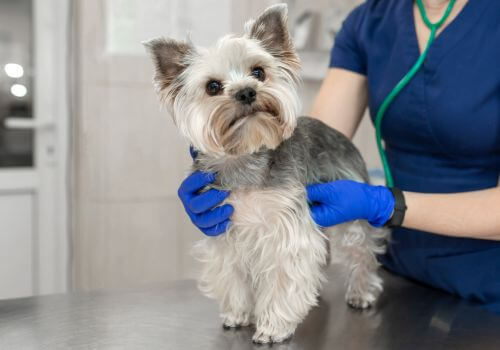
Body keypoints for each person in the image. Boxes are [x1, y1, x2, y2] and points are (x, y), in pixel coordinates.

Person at [177, 0, 500, 314]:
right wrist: (225, 156)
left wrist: (385, 204)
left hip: (487, 284)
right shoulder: (370, 20)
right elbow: (318, 140)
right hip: (400, 274)